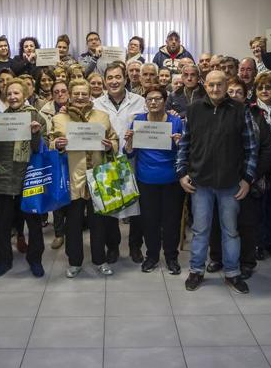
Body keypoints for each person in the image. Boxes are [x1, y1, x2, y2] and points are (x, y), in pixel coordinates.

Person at [176, 70, 258, 294]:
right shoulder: (193, 111)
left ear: (226, 85)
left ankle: (232, 273)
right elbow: (184, 145)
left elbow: (252, 148)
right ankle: (196, 270)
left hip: (231, 184)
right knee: (200, 230)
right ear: (205, 84)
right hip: (200, 182)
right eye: (211, 85)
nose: (215, 89)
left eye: (219, 85)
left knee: (230, 231)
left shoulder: (240, 111)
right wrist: (182, 173)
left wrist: (248, 179)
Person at [205, 77, 271, 279]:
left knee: (246, 223)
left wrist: (250, 176)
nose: (234, 95)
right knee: (217, 221)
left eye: (239, 92)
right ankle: (217, 257)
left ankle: (246, 262)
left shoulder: (256, 116)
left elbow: (266, 148)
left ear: (246, 96)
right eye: (231, 91)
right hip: (221, 179)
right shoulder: (219, 113)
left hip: (248, 181)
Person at [50, 79, 120, 277]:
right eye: (76, 94)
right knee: (73, 223)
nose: (80, 97)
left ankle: (100, 259)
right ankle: (74, 262)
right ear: (70, 95)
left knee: (99, 223)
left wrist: (110, 146)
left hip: (98, 177)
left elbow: (114, 139)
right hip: (73, 178)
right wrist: (57, 144)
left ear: (90, 95)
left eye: (84, 93)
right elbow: (50, 142)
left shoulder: (102, 116)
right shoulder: (59, 119)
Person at [0, 79, 48, 277]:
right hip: (3, 180)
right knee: (2, 224)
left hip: (29, 179)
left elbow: (39, 150)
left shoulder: (35, 116)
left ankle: (35, 260)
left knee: (34, 224)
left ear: (25, 95)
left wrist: (35, 134)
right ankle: (4, 260)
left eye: (17, 93)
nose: (12, 97)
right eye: (9, 94)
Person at [123, 85, 184, 274]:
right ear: (145, 102)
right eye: (149, 99)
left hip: (171, 181)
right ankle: (152, 256)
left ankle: (171, 258)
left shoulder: (176, 121)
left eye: (158, 98)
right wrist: (129, 143)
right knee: (149, 221)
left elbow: (184, 151)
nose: (153, 102)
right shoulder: (138, 121)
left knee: (171, 221)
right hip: (146, 180)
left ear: (165, 101)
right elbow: (129, 154)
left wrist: (179, 143)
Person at [93, 62, 148, 263]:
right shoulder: (96, 103)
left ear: (125, 79)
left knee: (136, 208)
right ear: (105, 81)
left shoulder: (140, 101)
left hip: (134, 160)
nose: (114, 81)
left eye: (118, 77)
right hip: (107, 160)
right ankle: (113, 247)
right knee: (110, 207)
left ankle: (135, 246)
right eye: (110, 78)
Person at [252, 71, 271, 260]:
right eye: (260, 88)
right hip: (259, 163)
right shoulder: (252, 109)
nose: (264, 91)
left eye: (268, 87)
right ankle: (258, 244)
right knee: (259, 207)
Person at [40, 80, 71, 249]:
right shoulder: (45, 111)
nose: (60, 94)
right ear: (52, 95)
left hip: (74, 158)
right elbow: (44, 137)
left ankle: (73, 229)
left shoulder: (77, 108)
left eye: (63, 90)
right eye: (56, 91)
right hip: (54, 158)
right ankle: (59, 234)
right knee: (57, 196)